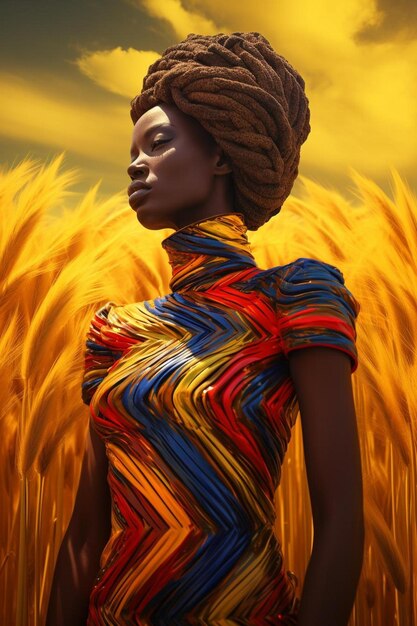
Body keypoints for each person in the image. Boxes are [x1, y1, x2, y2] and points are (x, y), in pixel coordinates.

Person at [46, 32, 364, 626]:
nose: (135, 163)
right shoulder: (115, 329)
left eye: (158, 143)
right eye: (132, 150)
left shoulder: (293, 297)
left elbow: (342, 516)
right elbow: (83, 536)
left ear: (223, 154)